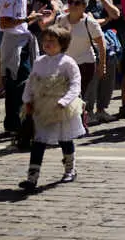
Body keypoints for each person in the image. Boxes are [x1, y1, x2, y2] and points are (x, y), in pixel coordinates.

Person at [19, 24, 86, 191]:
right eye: (45, 40)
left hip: (61, 107)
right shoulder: (39, 61)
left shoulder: (68, 63)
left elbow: (75, 85)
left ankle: (70, 169)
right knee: (39, 141)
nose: (47, 43)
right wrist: (27, 99)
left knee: (65, 139)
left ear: (62, 44)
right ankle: (32, 177)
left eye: (52, 41)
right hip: (42, 106)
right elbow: (31, 82)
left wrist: (65, 101)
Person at [0, 0, 47, 135]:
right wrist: (28, 19)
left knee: (23, 83)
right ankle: (12, 124)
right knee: (15, 83)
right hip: (13, 44)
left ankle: (18, 122)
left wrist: (35, 18)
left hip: (24, 42)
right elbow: (4, 23)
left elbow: (20, 21)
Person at [61, 0, 105, 125]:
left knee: (76, 95)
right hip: (66, 64)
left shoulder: (89, 23)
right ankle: (75, 122)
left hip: (85, 64)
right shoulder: (60, 20)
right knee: (67, 95)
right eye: (71, 2)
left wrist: (102, 65)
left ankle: (79, 124)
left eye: (77, 3)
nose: (73, 5)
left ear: (84, 5)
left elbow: (101, 45)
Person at [82, 0, 121, 123]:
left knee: (108, 75)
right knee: (93, 76)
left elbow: (116, 14)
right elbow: (89, 22)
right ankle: (89, 111)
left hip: (106, 43)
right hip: (89, 43)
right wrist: (106, 19)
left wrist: (103, 1)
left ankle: (102, 109)